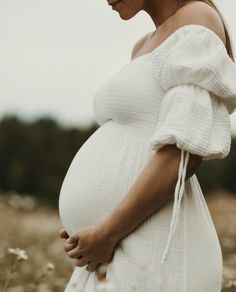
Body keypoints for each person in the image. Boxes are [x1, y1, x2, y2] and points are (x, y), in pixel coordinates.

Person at [58, 0, 236, 291]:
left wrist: (107, 231)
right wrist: (89, 226)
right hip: (117, 246)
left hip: (155, 247)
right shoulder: (142, 45)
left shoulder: (197, 18)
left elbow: (183, 152)